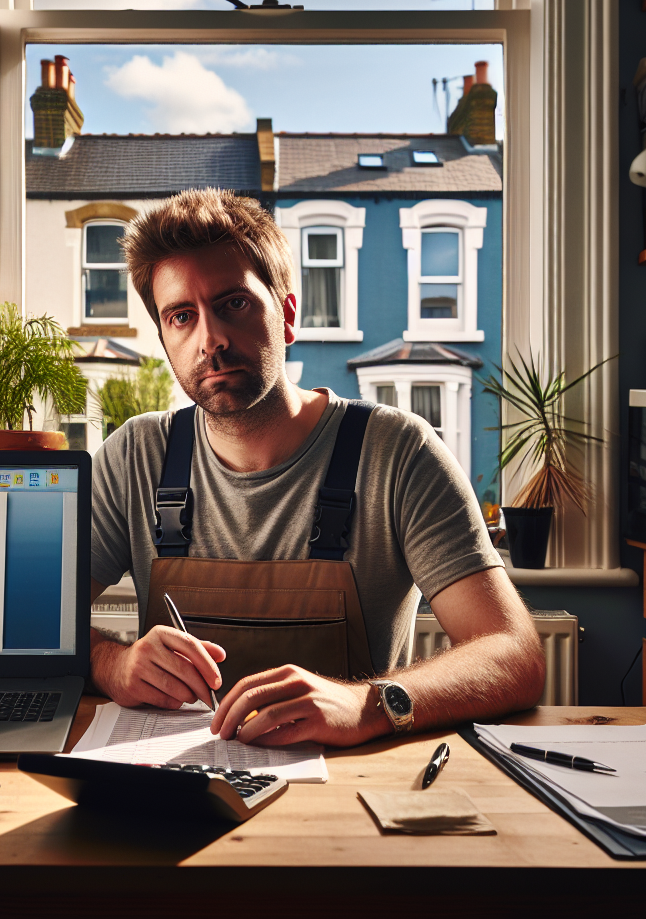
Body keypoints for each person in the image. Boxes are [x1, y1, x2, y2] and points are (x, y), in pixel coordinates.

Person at [87, 188, 545, 748]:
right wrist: (113, 665)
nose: (211, 340)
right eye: (182, 316)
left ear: (286, 314)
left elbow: (514, 653)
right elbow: (30, 633)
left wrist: (368, 703)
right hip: (176, 793)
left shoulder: (398, 454)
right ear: (165, 337)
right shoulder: (134, 458)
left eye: (233, 304)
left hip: (351, 794)